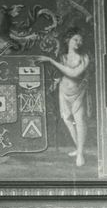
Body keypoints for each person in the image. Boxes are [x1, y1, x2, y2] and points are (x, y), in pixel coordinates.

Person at [37, 29, 91, 167]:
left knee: (79, 121)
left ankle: (80, 154)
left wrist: (51, 61)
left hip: (78, 92)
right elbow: (62, 74)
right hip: (63, 91)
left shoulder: (84, 57)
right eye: (75, 39)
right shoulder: (63, 57)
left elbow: (73, 73)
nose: (78, 43)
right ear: (68, 40)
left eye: (80, 40)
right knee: (67, 119)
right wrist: (56, 81)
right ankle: (79, 148)